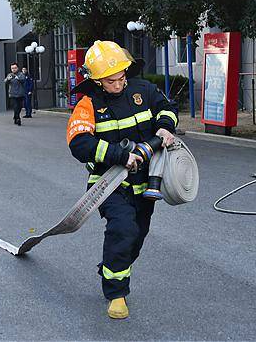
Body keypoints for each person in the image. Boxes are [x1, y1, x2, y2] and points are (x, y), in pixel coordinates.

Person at [66, 40, 178, 319]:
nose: (118, 84)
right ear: (97, 80)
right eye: (111, 81)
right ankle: (116, 294)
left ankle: (111, 266)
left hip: (146, 183)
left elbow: (167, 108)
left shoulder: (143, 90)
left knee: (136, 237)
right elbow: (79, 144)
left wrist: (165, 127)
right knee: (123, 230)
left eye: (121, 77)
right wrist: (120, 155)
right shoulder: (87, 105)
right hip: (109, 183)